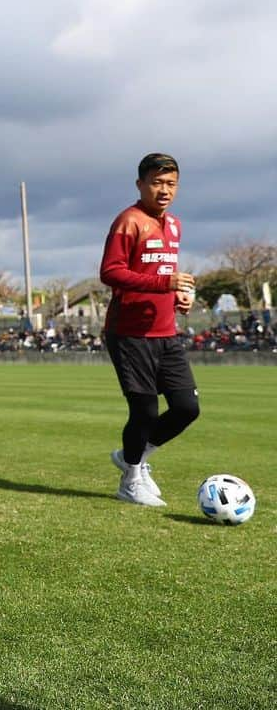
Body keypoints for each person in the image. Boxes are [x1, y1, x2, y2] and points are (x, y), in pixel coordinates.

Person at [100, 152, 198, 507]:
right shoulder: (129, 221)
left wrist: (177, 297)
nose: (164, 190)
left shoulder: (174, 224)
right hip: (130, 333)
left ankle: (132, 457)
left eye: (171, 183)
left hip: (165, 332)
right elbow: (110, 272)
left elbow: (160, 274)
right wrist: (164, 283)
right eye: (156, 182)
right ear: (140, 184)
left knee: (187, 407)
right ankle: (130, 479)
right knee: (144, 411)